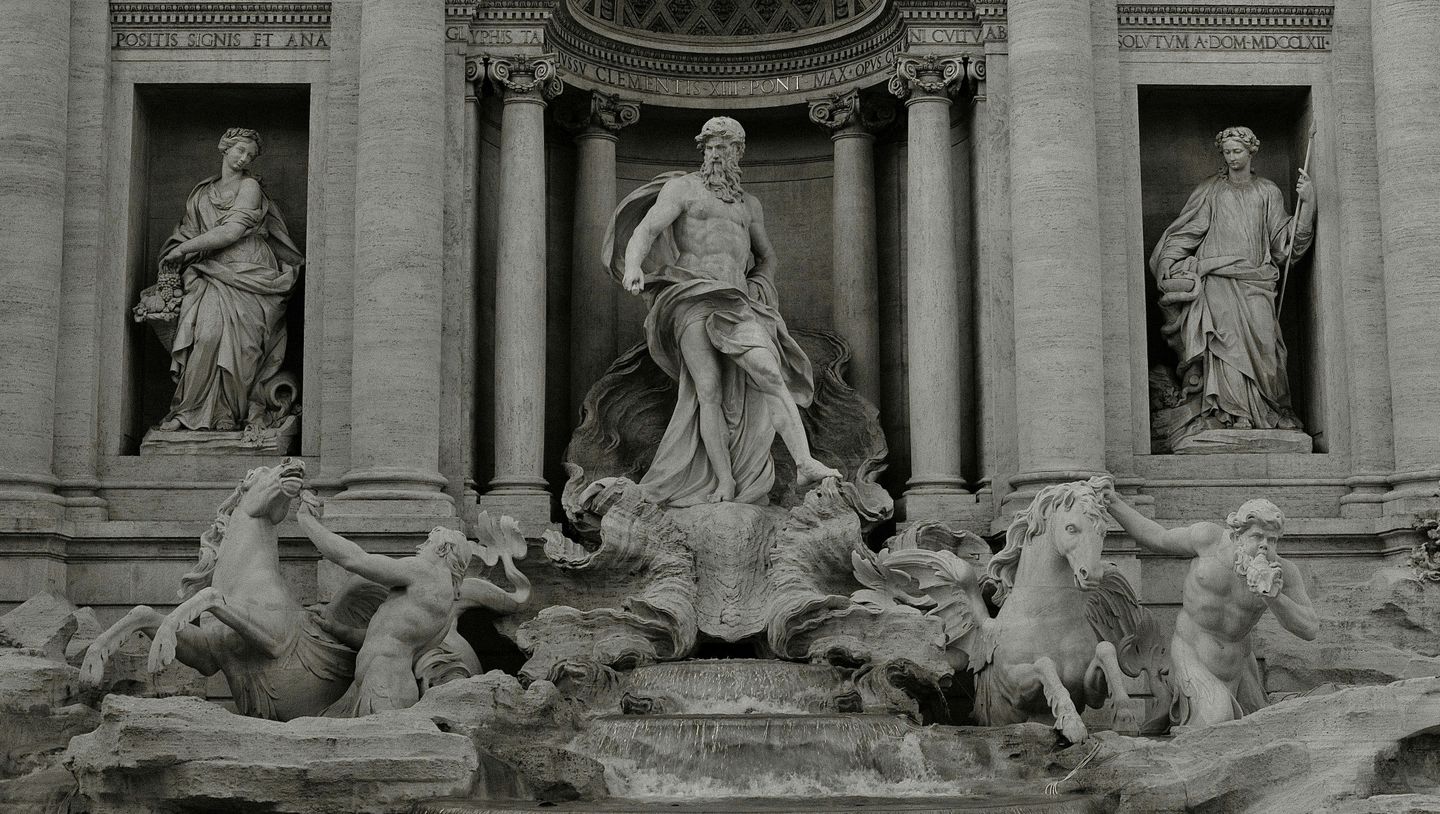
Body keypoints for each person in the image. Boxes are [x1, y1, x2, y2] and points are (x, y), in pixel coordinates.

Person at [605, 116, 840, 507]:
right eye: (709, 146)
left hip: (736, 302)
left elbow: (766, 256)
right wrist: (633, 266)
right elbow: (645, 231)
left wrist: (760, 284)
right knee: (708, 390)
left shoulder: (749, 205)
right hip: (691, 297)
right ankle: (725, 482)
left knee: (769, 371)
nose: (714, 153)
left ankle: (804, 463)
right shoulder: (684, 189)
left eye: (723, 146)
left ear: (737, 152)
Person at [1149, 125, 1314, 448]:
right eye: (1227, 152)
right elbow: (1187, 232)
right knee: (1222, 349)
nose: (1232, 157)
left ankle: (1265, 411)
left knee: (1266, 348)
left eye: (1237, 151)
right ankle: (1224, 412)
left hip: (1256, 281)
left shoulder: (1267, 191)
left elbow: (1285, 244)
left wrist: (1308, 205)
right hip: (1217, 281)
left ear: (1252, 152)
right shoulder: (1211, 190)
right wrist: (1169, 260)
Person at [1102, 488, 1318, 727]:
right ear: (1237, 536)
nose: (1265, 547)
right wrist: (1113, 503)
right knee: (1217, 721)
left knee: (1261, 728)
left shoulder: (1283, 572)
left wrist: (1274, 597)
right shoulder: (1208, 540)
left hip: (1239, 665)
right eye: (1257, 537)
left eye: (1273, 540)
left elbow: (1309, 628)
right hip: (1191, 653)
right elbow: (1157, 537)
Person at [156, 127, 303, 432]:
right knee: (207, 336)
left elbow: (231, 232)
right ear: (224, 147)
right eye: (239, 151)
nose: (244, 158)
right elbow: (189, 230)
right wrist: (178, 250)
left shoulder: (250, 187)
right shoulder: (202, 193)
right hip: (211, 271)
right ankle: (190, 411)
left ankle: (228, 414)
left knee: (243, 349)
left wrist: (183, 250)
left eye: (250, 155)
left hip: (250, 271)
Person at [297, 494, 471, 716]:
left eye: (428, 542)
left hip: (385, 687)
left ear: (443, 549)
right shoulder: (444, 603)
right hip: (376, 685)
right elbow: (385, 638)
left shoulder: (426, 572)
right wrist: (336, 628)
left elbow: (355, 560)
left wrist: (307, 522)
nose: (420, 546)